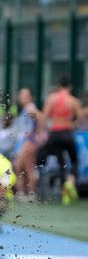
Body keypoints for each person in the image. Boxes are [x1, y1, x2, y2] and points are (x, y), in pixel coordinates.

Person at [34, 75, 84, 205]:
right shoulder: (73, 101)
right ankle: (70, 182)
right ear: (70, 86)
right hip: (67, 133)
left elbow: (44, 117)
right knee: (74, 160)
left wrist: (41, 131)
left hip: (55, 133)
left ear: (59, 85)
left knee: (56, 158)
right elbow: (80, 119)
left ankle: (54, 187)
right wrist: (72, 124)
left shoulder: (51, 98)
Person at [12, 88, 41, 201]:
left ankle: (30, 193)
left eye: (24, 95)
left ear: (30, 97)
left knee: (27, 167)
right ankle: (24, 193)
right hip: (23, 142)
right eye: (21, 95)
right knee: (20, 167)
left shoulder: (30, 108)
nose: (21, 98)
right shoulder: (26, 109)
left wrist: (34, 136)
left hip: (27, 143)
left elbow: (39, 118)